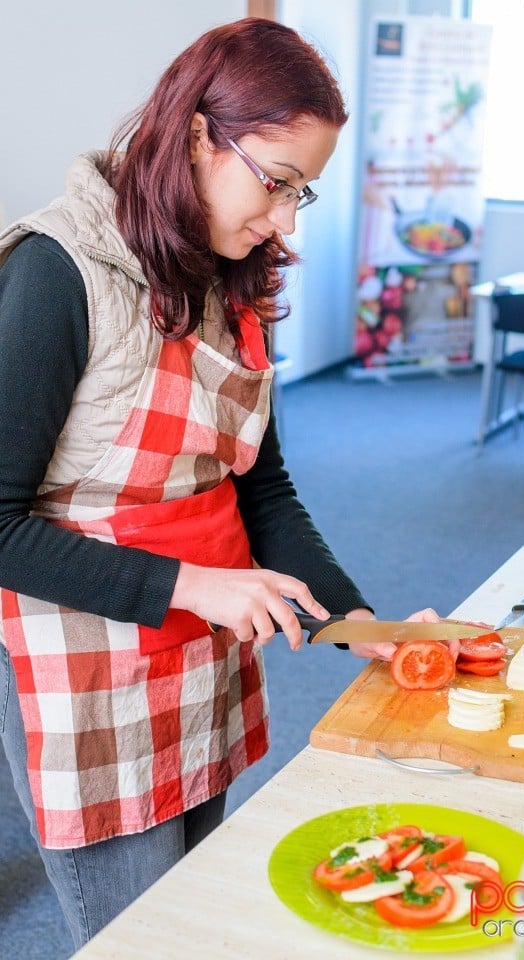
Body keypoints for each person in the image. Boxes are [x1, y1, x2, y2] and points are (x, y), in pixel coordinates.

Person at [0, 17, 436, 948]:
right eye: (275, 183)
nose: (283, 220)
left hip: (199, 655)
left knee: (199, 921)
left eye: (301, 194)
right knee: (144, 939)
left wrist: (357, 623)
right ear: (198, 134)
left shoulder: (227, 272)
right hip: (85, 673)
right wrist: (193, 586)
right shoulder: (54, 273)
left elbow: (260, 491)